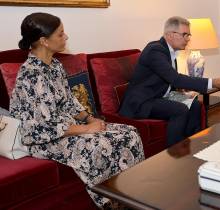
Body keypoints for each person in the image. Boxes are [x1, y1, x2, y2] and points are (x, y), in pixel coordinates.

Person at [10, 12, 145, 208]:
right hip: (42, 140)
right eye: (60, 34)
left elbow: (68, 101)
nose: (66, 37)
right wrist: (86, 129)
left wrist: (90, 119)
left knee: (129, 132)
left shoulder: (54, 65)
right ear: (44, 41)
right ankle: (111, 201)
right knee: (100, 144)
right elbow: (43, 127)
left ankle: (130, 192)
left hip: (65, 127)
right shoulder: (32, 75)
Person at [119, 16, 220, 146]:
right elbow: (175, 78)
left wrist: (180, 90)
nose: (188, 39)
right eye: (185, 35)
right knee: (180, 109)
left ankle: (194, 144)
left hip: (159, 96)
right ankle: (173, 154)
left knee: (195, 105)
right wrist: (213, 82)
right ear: (170, 35)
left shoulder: (170, 51)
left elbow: (168, 79)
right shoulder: (155, 50)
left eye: (189, 35)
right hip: (141, 102)